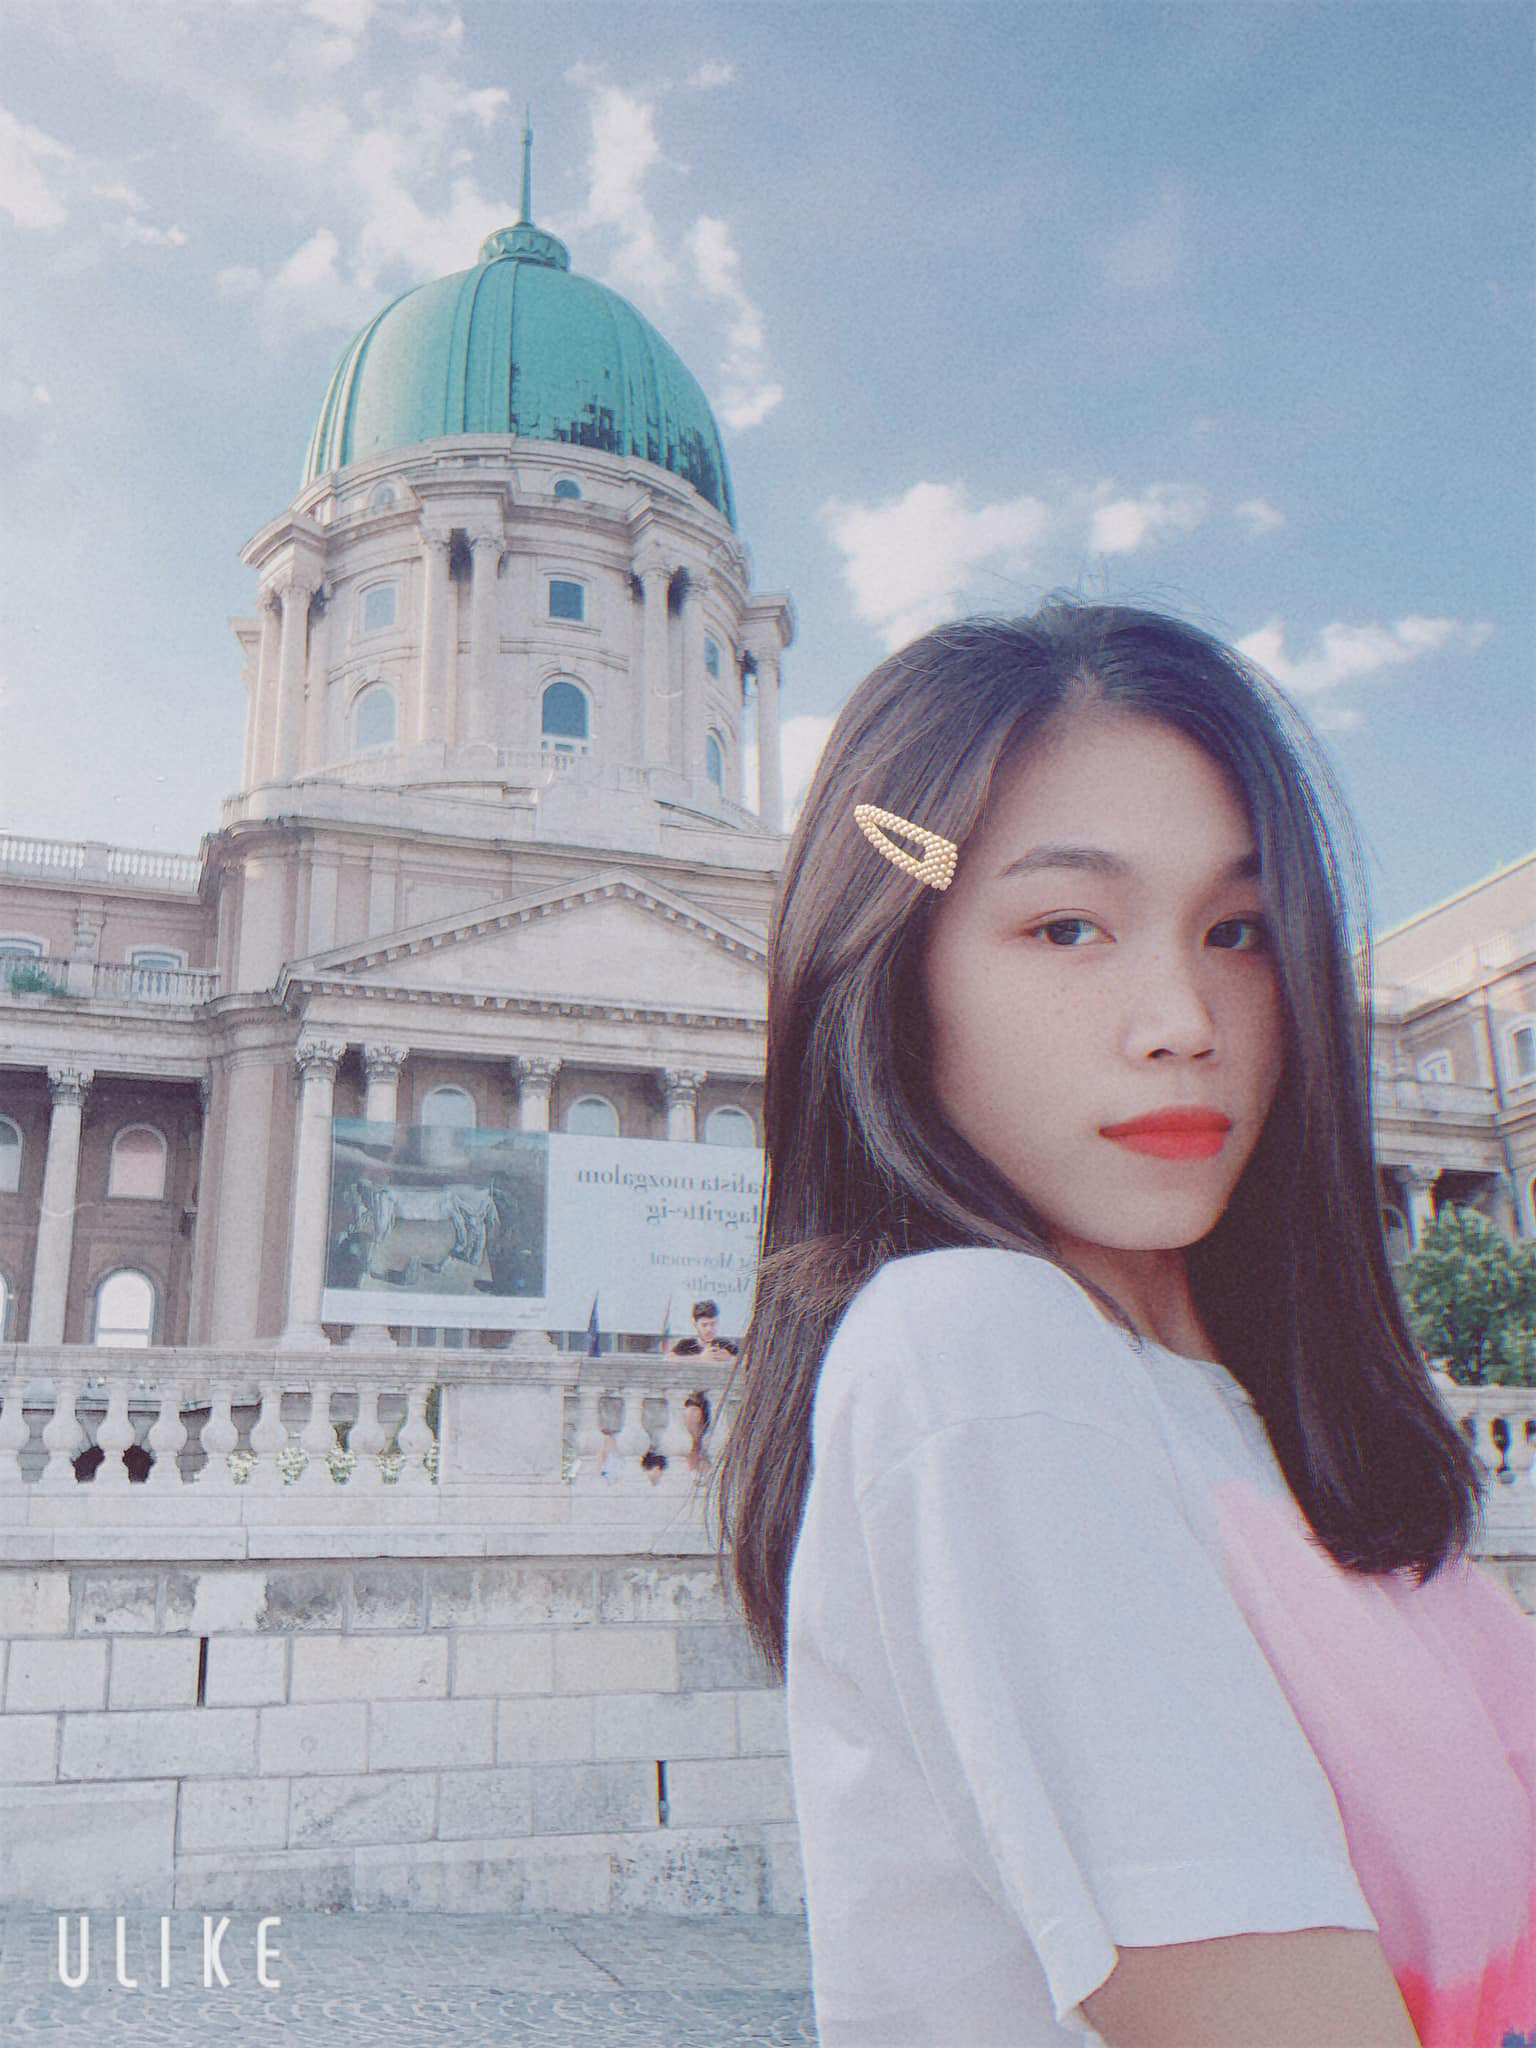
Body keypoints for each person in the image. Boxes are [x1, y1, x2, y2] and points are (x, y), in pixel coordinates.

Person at [707, 602, 1535, 2048]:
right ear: (890, 963)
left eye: (1238, 931)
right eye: (1068, 926)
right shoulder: (977, 1349)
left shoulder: (1258, 1406)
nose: (1182, 1019)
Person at [668, 1300, 739, 1360]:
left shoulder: (727, 1345)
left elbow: (742, 1361)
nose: (709, 1329)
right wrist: (700, 1358)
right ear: (695, 1324)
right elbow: (668, 1359)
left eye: (713, 1324)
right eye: (704, 1325)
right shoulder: (685, 1344)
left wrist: (730, 1358)